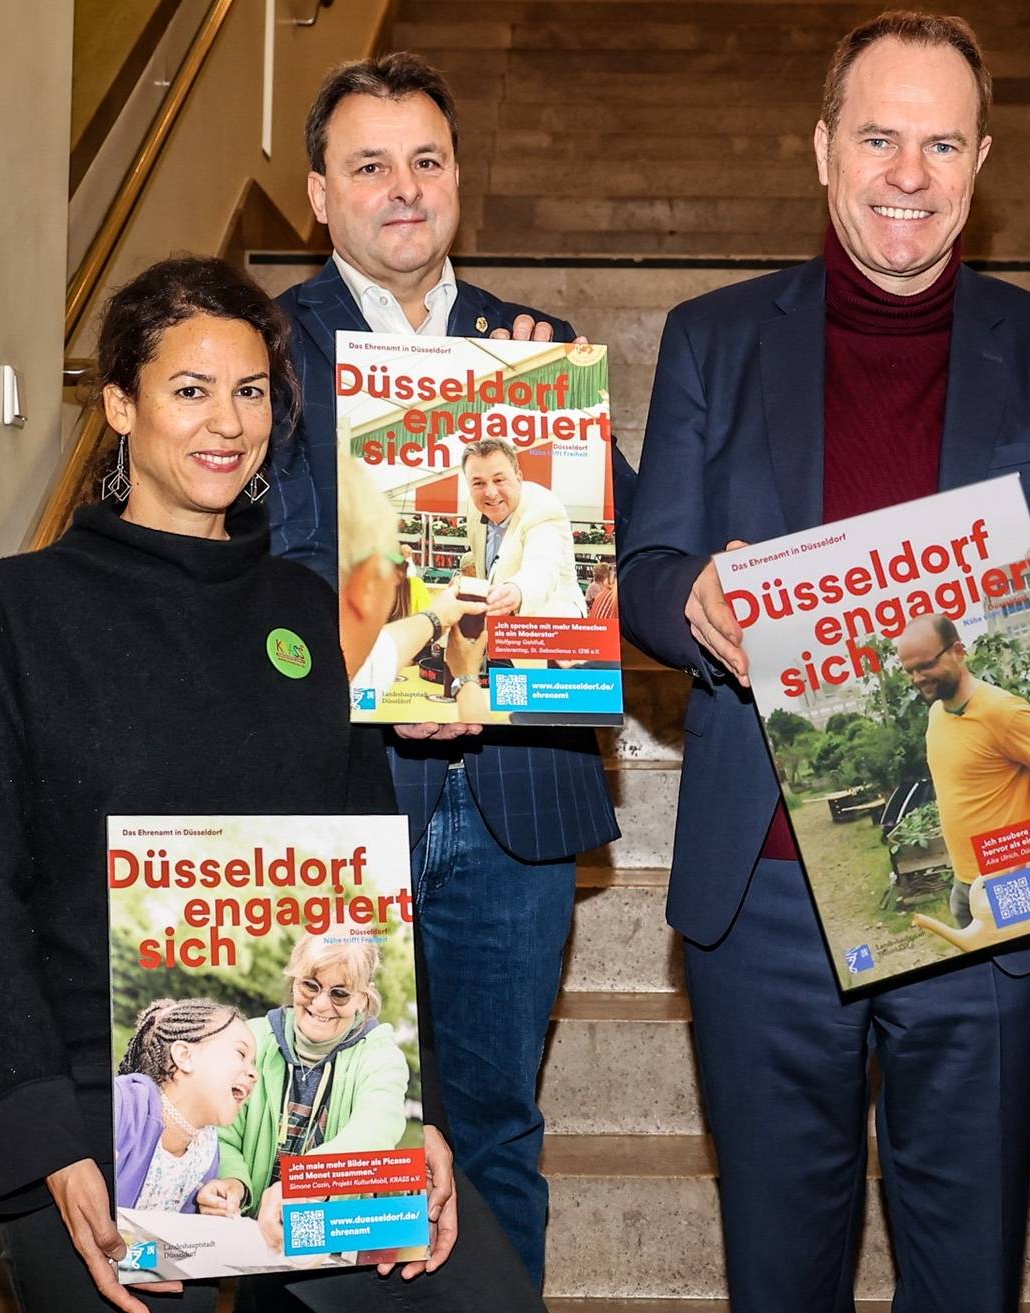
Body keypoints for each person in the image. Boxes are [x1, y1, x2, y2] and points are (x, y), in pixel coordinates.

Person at [616, 13, 1030, 1309]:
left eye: (940, 142)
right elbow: (642, 568)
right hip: (770, 894)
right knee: (780, 1274)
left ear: (979, 164)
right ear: (822, 149)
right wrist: (683, 595)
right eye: (877, 136)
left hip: (981, 885)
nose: (906, 173)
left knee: (966, 1274)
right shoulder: (711, 338)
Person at [0, 256, 540, 1312]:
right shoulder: (15, 611)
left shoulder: (306, 611)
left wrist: (408, 1114)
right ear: (119, 403)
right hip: (100, 1118)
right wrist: (43, 1146)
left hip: (310, 1103)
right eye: (190, 389)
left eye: (250, 390)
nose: (228, 421)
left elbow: (364, 890)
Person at [264, 52, 629, 1282]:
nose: (403, 189)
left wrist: (575, 446)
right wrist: (382, 666)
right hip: (340, 790)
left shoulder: (533, 351)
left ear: (459, 177)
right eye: (370, 166)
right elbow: (256, 574)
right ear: (319, 193)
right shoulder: (259, 352)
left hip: (514, 802)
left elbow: (598, 564)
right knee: (329, 1137)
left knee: (496, 1132)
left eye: (427, 161)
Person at [208, 936, 415, 1252]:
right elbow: (222, 1134)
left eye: (340, 993)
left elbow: (375, 1130)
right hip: (247, 1236)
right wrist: (233, 1185)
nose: (320, 1004)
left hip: (334, 1237)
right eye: (310, 986)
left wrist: (301, 1182)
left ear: (363, 998)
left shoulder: (381, 1056)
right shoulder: (250, 1039)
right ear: (293, 984)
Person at [891, 613, 1030, 929]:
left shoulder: (1003, 711)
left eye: (926, 666)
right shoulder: (937, 714)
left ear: (958, 650)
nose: (917, 678)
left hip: (1013, 880)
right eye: (909, 671)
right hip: (966, 882)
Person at [113, 1001, 259, 1217]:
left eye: (254, 1063)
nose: (254, 1074)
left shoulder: (206, 1150)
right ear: (185, 1056)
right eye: (240, 1053)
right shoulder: (123, 1104)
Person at [461, 438, 587, 621]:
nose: (490, 493)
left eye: (499, 479)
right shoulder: (474, 507)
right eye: (478, 483)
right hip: (503, 628)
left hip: (554, 628)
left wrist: (517, 590)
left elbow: (543, 565)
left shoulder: (543, 507)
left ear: (518, 478)